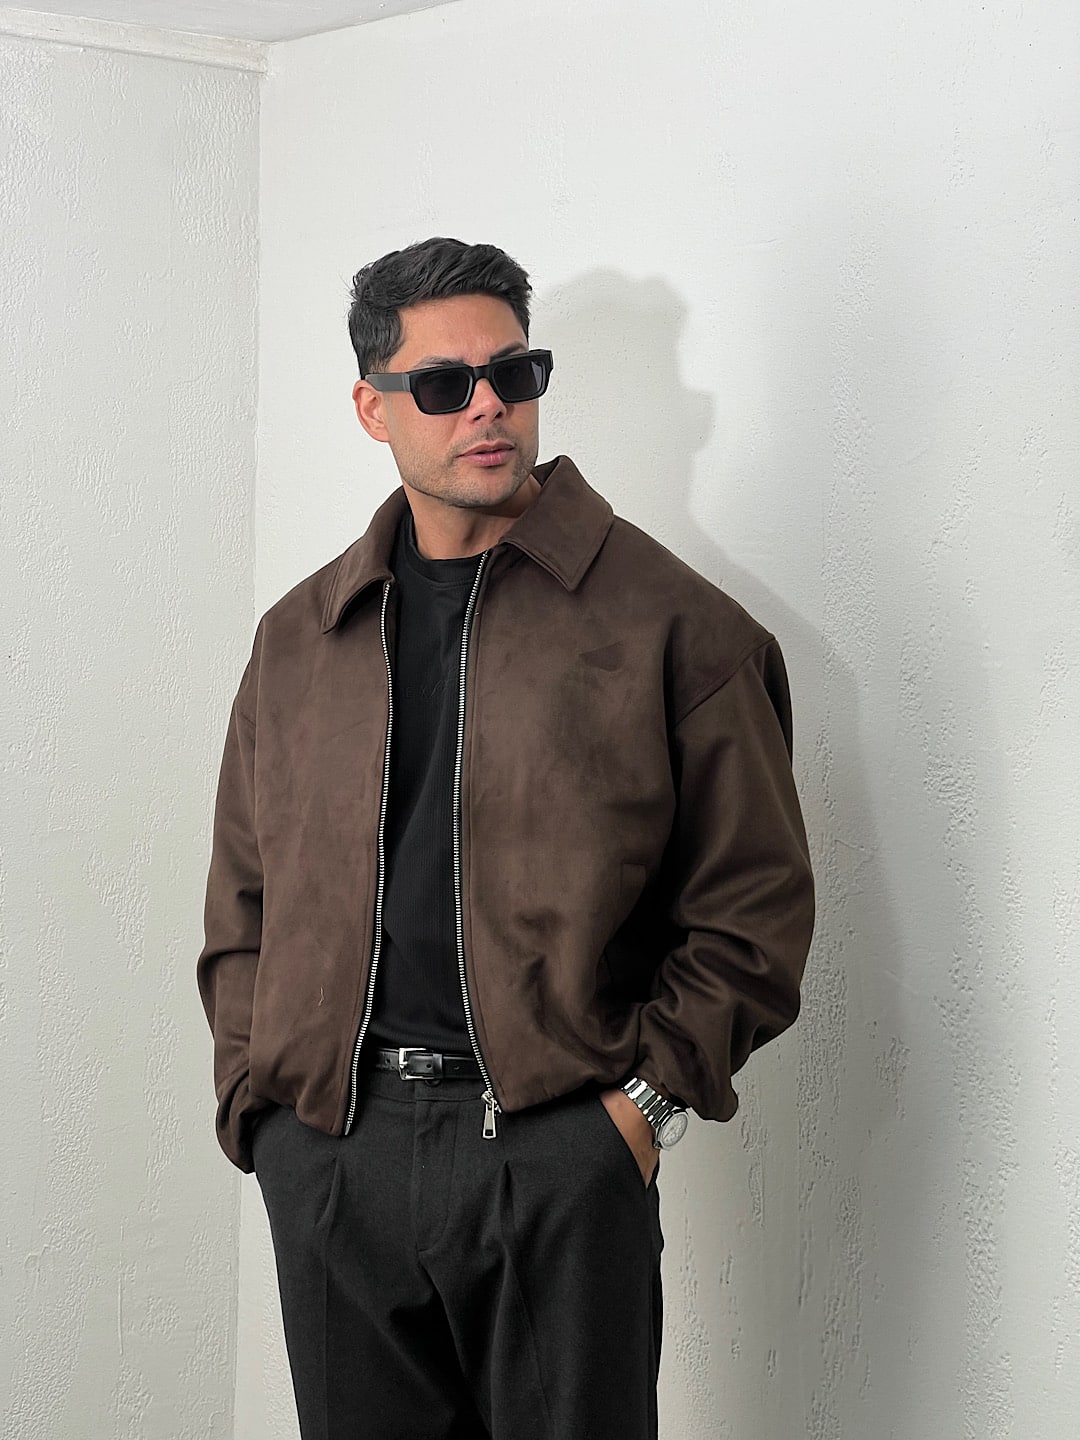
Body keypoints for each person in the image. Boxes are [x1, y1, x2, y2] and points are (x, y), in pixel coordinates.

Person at [197, 236, 815, 1440]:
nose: (488, 405)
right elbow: (243, 901)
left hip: (554, 1157)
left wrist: (635, 1117)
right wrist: (260, 1115)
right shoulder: (301, 639)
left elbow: (755, 914)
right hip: (333, 1158)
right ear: (373, 408)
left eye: (513, 373)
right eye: (443, 383)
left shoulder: (673, 627)